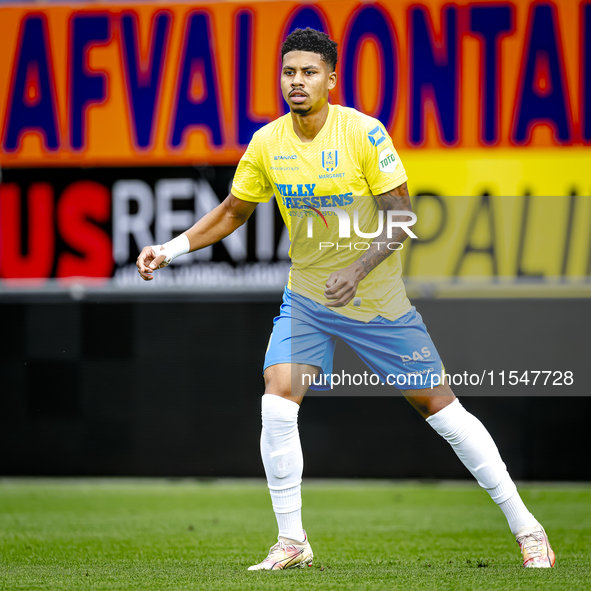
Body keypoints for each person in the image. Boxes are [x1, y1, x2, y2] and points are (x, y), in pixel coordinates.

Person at [136, 28, 555, 570]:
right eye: (289, 72)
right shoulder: (267, 144)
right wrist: (168, 250)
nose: (297, 81)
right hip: (309, 298)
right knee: (276, 396)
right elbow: (232, 213)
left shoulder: (365, 135)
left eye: (309, 72)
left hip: (377, 302)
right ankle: (292, 542)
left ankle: (529, 529)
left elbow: (402, 218)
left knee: (441, 409)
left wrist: (357, 270)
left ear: (331, 79)